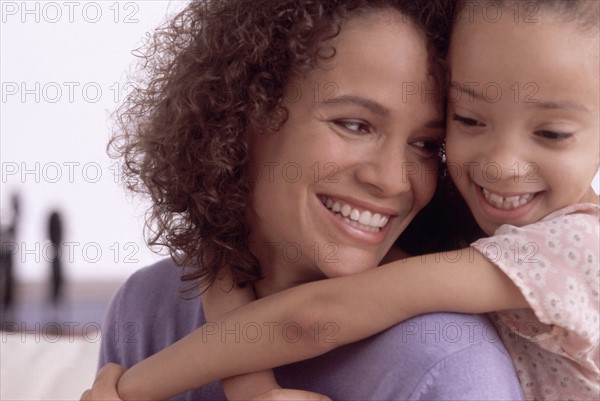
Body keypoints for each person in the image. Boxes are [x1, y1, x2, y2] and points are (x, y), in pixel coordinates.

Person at [95, 0, 599, 400]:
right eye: (354, 124)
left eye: (424, 144)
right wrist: (253, 387)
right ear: (244, 107)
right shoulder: (147, 305)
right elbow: (223, 262)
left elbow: (311, 318)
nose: (500, 165)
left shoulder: (461, 350)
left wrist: (128, 389)